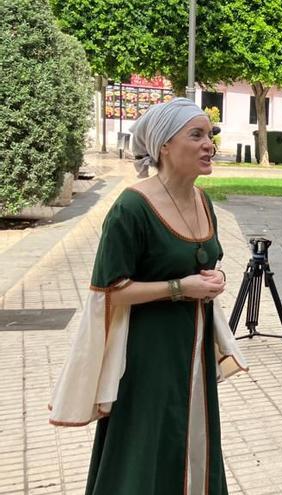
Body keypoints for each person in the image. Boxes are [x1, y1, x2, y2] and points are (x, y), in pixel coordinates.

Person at [48, 98, 247, 494]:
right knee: (146, 447)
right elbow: (111, 292)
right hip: (147, 355)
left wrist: (213, 279)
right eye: (197, 135)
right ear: (163, 146)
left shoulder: (203, 200)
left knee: (191, 439)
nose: (209, 144)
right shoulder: (131, 208)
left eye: (211, 134)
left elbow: (203, 260)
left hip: (194, 348)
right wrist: (180, 288)